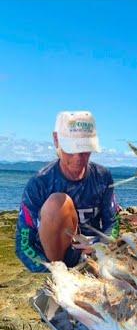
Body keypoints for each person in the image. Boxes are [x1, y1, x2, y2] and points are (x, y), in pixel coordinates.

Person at [15, 111, 120, 272]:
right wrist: (50, 270)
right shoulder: (39, 183)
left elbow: (112, 222)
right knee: (57, 203)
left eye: (85, 150)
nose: (79, 158)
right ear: (56, 140)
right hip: (54, 257)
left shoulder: (102, 177)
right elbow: (23, 245)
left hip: (88, 252)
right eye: (71, 150)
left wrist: (102, 245)